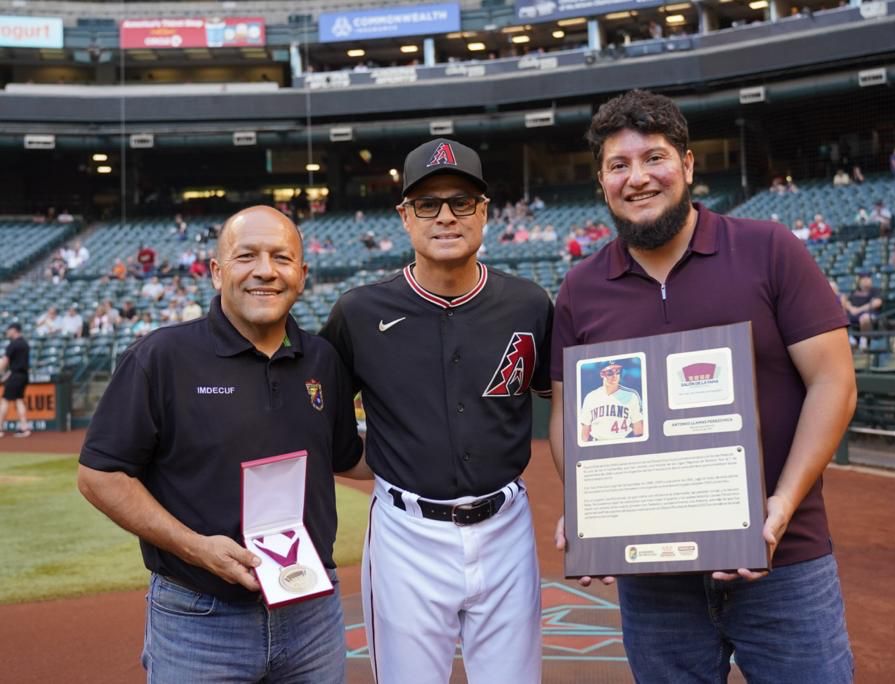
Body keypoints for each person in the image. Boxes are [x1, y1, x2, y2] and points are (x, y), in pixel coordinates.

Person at [550, 90, 855, 682]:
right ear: (601, 181)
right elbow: (568, 415)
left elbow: (834, 383)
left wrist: (780, 508)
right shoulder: (580, 287)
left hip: (783, 561)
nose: (637, 178)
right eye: (618, 165)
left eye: (654, 158)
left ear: (688, 165)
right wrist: (586, 507)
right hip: (653, 581)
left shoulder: (769, 249)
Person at [77, 206, 362, 681]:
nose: (265, 271)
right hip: (201, 619)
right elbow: (98, 475)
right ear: (216, 272)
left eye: (281, 258)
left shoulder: (322, 360)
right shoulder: (162, 357)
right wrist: (195, 548)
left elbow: (348, 456)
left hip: (310, 609)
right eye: (246, 256)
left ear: (302, 274)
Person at [319, 138, 552, 684]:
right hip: (406, 534)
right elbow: (319, 413)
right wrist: (379, 457)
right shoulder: (359, 312)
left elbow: (563, 404)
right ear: (405, 216)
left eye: (461, 201)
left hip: (507, 527)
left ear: (484, 212)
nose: (445, 215)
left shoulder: (529, 304)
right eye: (427, 203)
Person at [579, 360, 644, 441]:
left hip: (623, 442)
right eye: (610, 372)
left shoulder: (631, 395)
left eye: (617, 371)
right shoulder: (590, 397)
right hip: (597, 444)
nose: (615, 376)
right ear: (602, 374)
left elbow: (638, 428)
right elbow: (585, 430)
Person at [0, 323, 31, 438]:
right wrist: (7, 375)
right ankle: (24, 428)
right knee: (19, 400)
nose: (7, 332)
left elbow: (4, 362)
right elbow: (18, 364)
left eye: (9, 330)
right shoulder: (25, 344)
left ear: (14, 330)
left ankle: (0, 428)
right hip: (23, 376)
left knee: (4, 400)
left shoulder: (13, 344)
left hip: (16, 376)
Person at [845, 273, 883, 350]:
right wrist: (851, 309)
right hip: (853, 314)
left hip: (870, 314)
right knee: (841, 317)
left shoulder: (875, 291)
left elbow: (878, 303)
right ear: (859, 281)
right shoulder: (855, 292)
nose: (866, 281)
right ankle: (851, 338)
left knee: (864, 318)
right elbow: (847, 302)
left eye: (868, 279)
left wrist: (858, 310)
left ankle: (863, 340)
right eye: (863, 279)